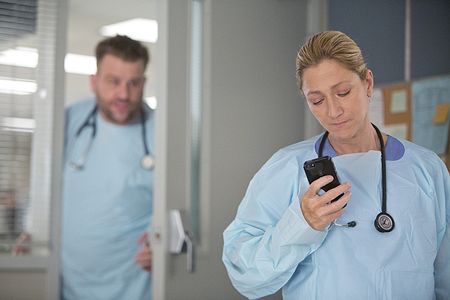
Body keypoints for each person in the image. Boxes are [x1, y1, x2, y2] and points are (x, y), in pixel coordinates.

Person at [222, 31, 450, 299]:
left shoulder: (427, 169)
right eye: (317, 100)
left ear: (367, 83)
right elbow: (244, 273)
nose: (333, 111)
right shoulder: (286, 169)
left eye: (343, 92)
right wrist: (301, 224)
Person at [15, 35, 154, 299]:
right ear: (94, 81)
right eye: (113, 81)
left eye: (133, 83)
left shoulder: (160, 132)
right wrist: (33, 232)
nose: (123, 94)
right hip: (67, 287)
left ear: (144, 83)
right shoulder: (69, 120)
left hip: (133, 289)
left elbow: (173, 210)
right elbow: (45, 187)